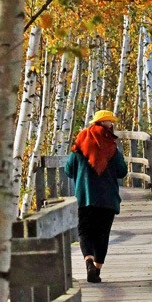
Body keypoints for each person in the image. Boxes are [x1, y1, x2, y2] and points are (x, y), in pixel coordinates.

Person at [65, 110, 128, 283]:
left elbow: (68, 170)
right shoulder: (111, 145)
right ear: (104, 124)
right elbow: (122, 171)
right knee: (102, 234)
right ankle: (97, 271)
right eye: (110, 122)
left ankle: (88, 261)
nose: (112, 125)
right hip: (107, 199)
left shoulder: (80, 143)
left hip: (84, 197)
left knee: (84, 231)